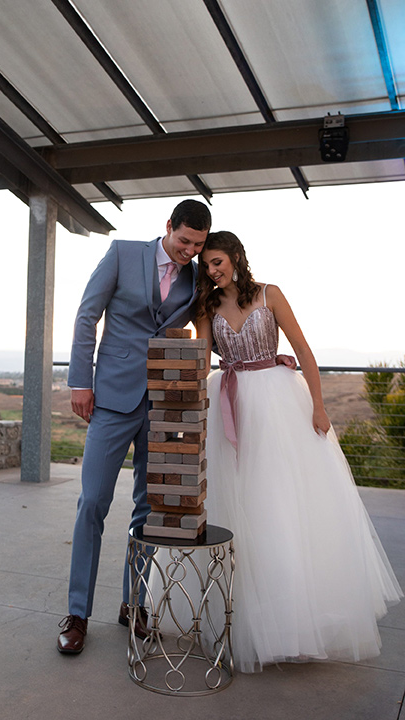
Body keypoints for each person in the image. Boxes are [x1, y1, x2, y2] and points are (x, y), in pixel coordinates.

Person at [193, 230, 402, 672]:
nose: (213, 271)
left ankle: (298, 625)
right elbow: (202, 358)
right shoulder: (207, 306)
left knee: (285, 508)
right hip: (230, 404)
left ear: (234, 256)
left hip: (278, 403)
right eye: (207, 265)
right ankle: (248, 620)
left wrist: (320, 406)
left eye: (218, 261)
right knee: (240, 510)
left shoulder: (271, 294)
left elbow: (303, 349)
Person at [56, 199, 211, 653]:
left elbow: (214, 325)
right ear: (168, 227)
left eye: (198, 246)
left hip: (165, 405)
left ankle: (134, 606)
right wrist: (80, 382)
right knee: (92, 504)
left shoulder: (196, 277)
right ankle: (77, 613)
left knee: (148, 509)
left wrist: (266, 357)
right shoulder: (122, 253)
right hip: (111, 397)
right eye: (184, 241)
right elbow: (88, 315)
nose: (189, 251)